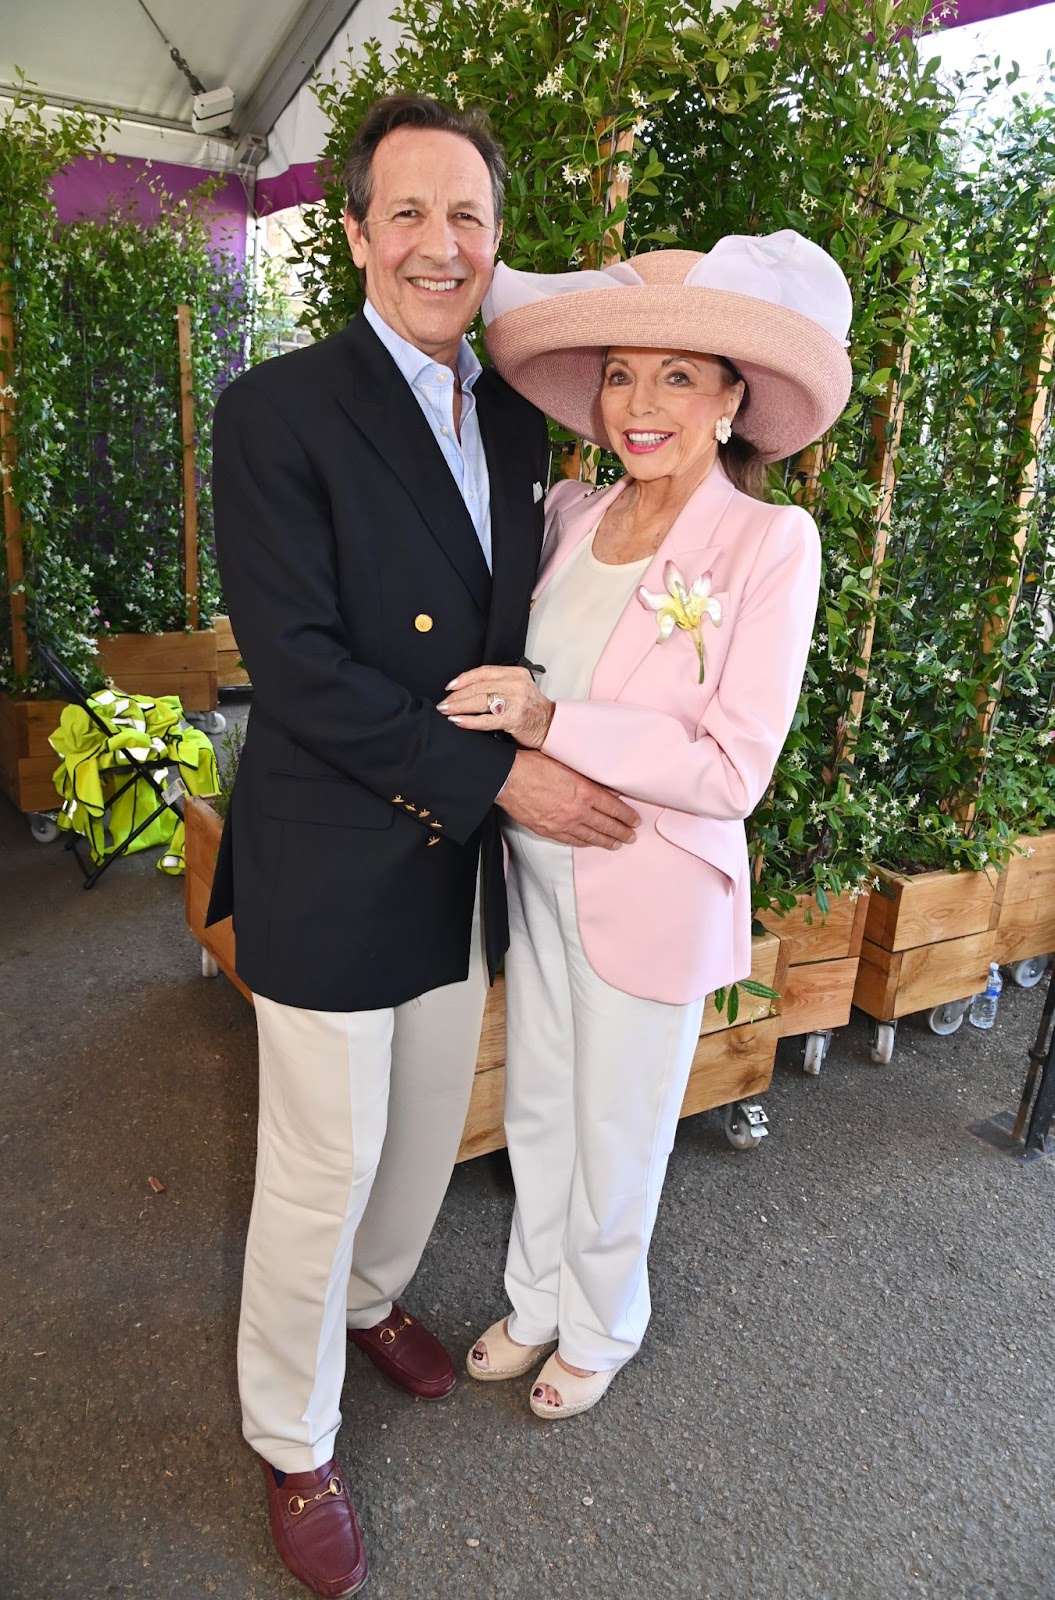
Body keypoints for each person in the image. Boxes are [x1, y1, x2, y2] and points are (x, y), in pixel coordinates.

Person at [206, 95, 639, 1599]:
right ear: (351, 235)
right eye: (407, 213)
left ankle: (375, 1300)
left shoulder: (518, 416)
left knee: (418, 1132)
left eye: (465, 216)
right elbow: (300, 663)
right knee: (321, 1161)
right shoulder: (274, 409)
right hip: (340, 840)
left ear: (493, 240)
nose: (438, 244)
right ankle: (289, 1433)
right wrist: (500, 786)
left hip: (448, 856)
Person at [439, 232, 853, 1419]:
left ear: (733, 399)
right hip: (532, 863)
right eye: (621, 372)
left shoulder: (770, 544)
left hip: (651, 879)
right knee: (539, 1101)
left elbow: (731, 768)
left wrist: (552, 718)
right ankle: (534, 1297)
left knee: (619, 1124)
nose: (640, 402)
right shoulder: (569, 511)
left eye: (678, 376)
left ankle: (604, 1321)